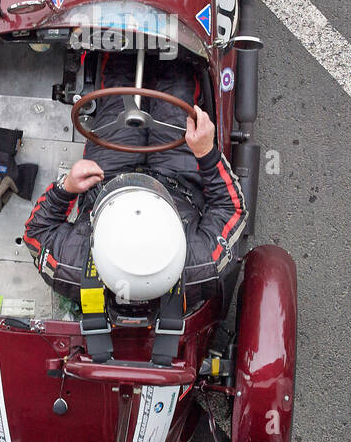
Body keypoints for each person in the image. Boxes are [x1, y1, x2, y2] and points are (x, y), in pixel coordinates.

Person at [23, 51, 247, 308]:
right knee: (178, 79)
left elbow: (35, 232)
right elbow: (232, 209)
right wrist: (206, 154)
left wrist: (67, 188)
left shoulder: (69, 265)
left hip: (106, 176)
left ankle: (117, 43)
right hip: (179, 177)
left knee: (118, 79)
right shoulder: (204, 263)